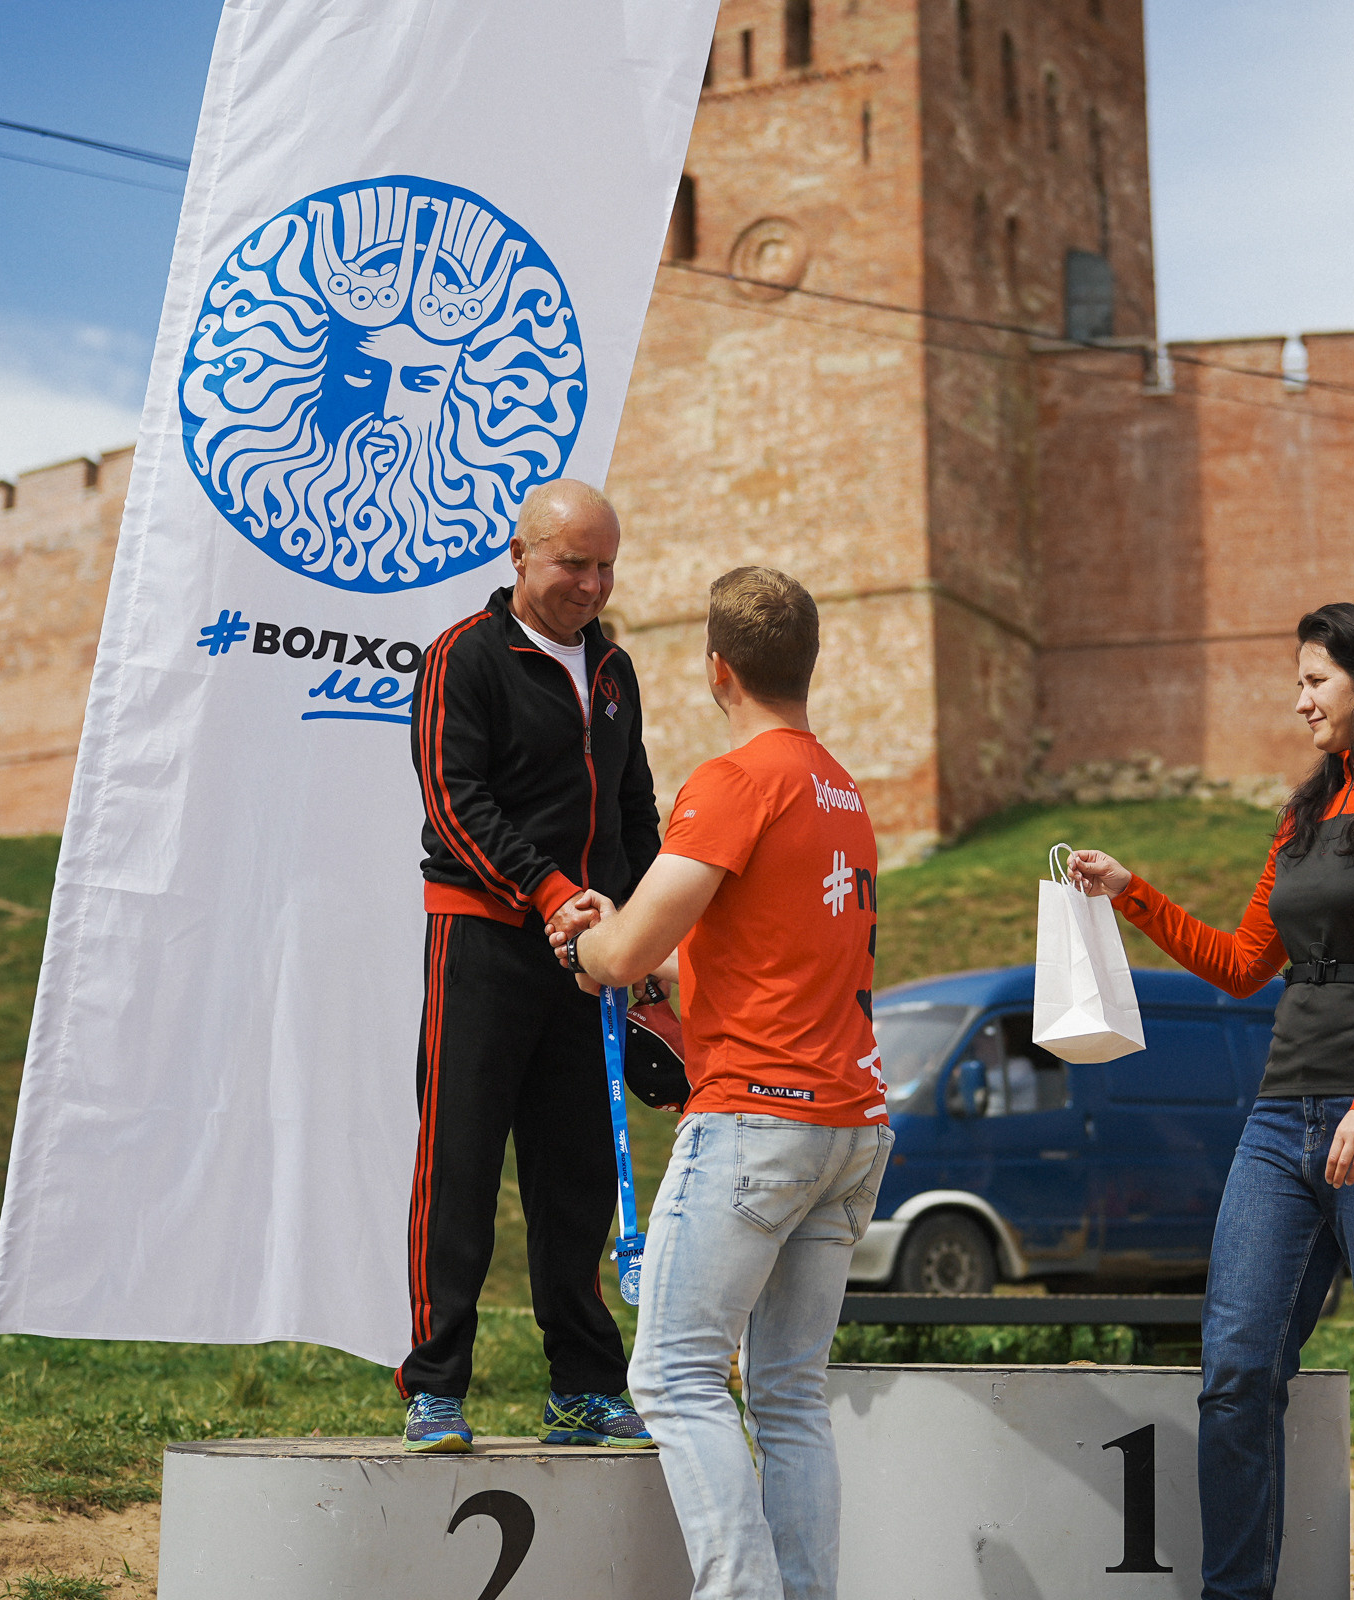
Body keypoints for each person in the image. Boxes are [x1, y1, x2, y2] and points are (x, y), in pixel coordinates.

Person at [1066, 601, 1354, 1600]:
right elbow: (1243, 963)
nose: (1299, 701)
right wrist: (1133, 892)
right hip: (1280, 1118)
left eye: (1314, 681)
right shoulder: (1300, 820)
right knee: (1237, 1369)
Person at [548, 567, 887, 1600]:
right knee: (788, 1396)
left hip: (757, 1121)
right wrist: (647, 953)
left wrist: (592, 946)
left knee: (672, 1375)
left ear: (715, 669)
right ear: (809, 664)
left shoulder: (734, 781)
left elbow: (621, 953)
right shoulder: (843, 790)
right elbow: (764, 948)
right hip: (852, 1123)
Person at [397, 479, 664, 1453]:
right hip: (484, 939)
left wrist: (637, 929)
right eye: (572, 564)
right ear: (520, 557)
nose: (591, 583)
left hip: (588, 958)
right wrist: (549, 892)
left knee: (580, 1178)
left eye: (605, 566)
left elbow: (635, 810)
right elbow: (453, 798)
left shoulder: (613, 668)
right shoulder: (463, 656)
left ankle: (586, 1388)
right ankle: (434, 1385)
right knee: (457, 1165)